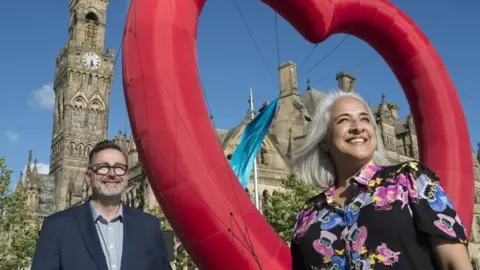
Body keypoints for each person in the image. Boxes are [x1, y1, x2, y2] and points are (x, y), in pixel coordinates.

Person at [290, 90, 472, 269]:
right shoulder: (308, 214)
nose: (358, 127)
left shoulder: (409, 180)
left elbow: (454, 263)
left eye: (365, 119)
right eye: (344, 120)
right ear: (323, 141)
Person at [32, 140, 172, 270]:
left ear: (126, 176)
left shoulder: (149, 226)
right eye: (103, 167)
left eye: (119, 167)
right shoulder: (57, 227)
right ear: (88, 177)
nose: (112, 174)